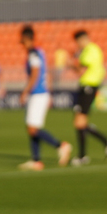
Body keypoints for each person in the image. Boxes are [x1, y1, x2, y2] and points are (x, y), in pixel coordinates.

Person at [18, 25, 72, 171]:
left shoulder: (33, 53)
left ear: (27, 38)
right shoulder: (40, 52)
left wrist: (25, 91)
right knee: (32, 127)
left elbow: (35, 73)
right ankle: (36, 160)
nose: (21, 44)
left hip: (37, 93)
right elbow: (45, 73)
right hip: (41, 93)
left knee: (32, 128)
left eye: (22, 41)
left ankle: (60, 146)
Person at [70, 30, 107, 165]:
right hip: (86, 86)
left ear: (83, 39)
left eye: (78, 41)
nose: (77, 44)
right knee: (80, 122)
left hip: (89, 86)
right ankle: (106, 142)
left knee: (79, 121)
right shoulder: (88, 50)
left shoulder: (90, 50)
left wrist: (69, 62)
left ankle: (83, 155)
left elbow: (81, 68)